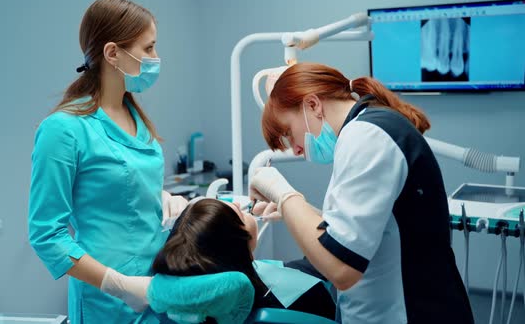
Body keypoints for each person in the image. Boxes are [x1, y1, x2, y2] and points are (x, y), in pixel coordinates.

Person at [249, 63, 474, 323]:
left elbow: (342, 268)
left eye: (289, 133)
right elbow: (376, 231)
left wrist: (282, 193)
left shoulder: (366, 136)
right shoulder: (366, 129)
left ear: (312, 105)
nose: (296, 150)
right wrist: (295, 212)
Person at [28, 0, 187, 323]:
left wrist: (162, 198)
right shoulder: (63, 129)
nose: (156, 59)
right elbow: (47, 235)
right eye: (148, 48)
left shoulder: (135, 117)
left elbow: (119, 189)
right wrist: (117, 284)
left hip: (157, 285)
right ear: (113, 53)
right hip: (107, 301)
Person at [151, 198, 336, 320]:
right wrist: (297, 208)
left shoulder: (204, 305)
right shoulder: (304, 296)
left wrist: (294, 212)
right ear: (238, 244)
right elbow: (332, 261)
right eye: (239, 213)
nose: (241, 205)